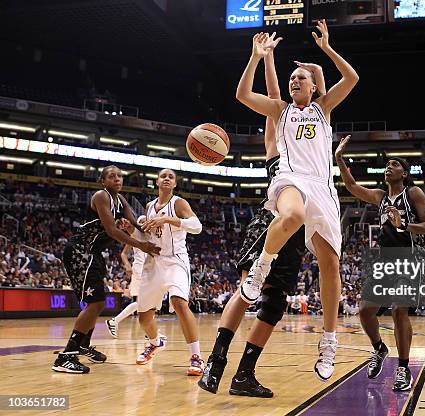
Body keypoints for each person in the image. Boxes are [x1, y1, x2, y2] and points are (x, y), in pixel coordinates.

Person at [199, 33, 327, 397]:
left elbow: (281, 98)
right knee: (248, 291)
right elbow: (274, 98)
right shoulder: (278, 141)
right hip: (272, 219)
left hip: (297, 228)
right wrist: (263, 57)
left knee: (274, 305)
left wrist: (271, 57)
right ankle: (215, 362)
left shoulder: (308, 138)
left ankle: (244, 375)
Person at [235, 20, 359, 381]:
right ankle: (260, 270)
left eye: (301, 79)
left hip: (324, 187)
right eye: (293, 79)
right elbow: (243, 94)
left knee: (330, 265)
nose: (294, 81)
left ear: (314, 86)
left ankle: (329, 342)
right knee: (291, 214)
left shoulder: (324, 109)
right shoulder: (280, 110)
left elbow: (351, 79)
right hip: (292, 179)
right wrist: (256, 58)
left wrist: (327, 50)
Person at [335, 135, 425, 391]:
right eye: (387, 164)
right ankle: (379, 348)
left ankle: (403, 368)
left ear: (404, 172)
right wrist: (339, 159)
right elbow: (353, 186)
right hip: (385, 261)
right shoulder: (380, 196)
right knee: (365, 311)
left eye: (394, 164)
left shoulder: (413, 193)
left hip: (410, 258)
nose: (389, 167)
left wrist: (404, 225)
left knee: (399, 310)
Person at [52, 165, 160, 374]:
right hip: (80, 251)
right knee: (95, 302)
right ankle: (66, 355)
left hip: (94, 253)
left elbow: (137, 225)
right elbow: (111, 230)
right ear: (103, 181)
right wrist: (142, 246)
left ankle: (83, 344)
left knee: (97, 302)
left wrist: (152, 233)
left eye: (120, 176)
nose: (117, 179)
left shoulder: (121, 200)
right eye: (112, 176)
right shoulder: (101, 196)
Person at [136, 169, 204, 376]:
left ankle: (197, 357)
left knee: (179, 303)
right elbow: (147, 233)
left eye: (171, 177)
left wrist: (168, 220)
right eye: (163, 176)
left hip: (176, 261)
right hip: (154, 263)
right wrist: (136, 226)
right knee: (143, 317)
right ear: (156, 181)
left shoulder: (178, 203)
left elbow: (197, 226)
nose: (166, 178)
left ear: (174, 184)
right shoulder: (149, 207)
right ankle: (155, 343)